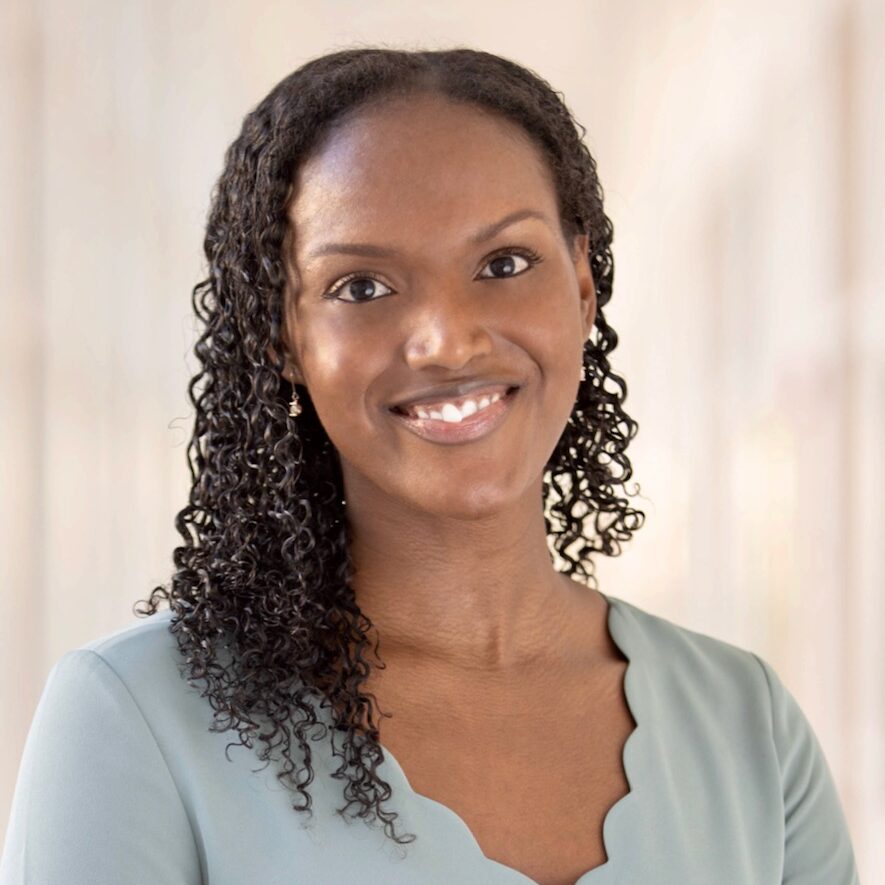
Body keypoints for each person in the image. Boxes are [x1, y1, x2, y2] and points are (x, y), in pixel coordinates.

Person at [0, 47, 860, 885]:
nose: (447, 339)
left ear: (584, 287)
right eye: (362, 287)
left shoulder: (747, 723)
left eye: (505, 263)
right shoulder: (134, 719)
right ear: (282, 337)